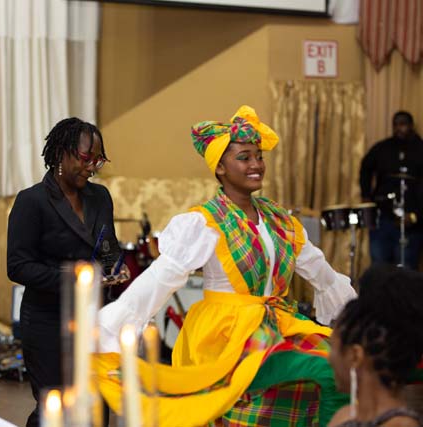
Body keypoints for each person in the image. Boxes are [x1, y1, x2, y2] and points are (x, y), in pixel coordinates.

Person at [94, 105, 357, 427]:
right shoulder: (205, 222)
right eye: (244, 158)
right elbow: (163, 276)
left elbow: (319, 271)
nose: (256, 164)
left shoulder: (279, 220)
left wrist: (355, 316)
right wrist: (114, 324)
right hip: (228, 335)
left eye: (259, 156)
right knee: (326, 370)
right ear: (220, 167)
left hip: (275, 325)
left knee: (340, 368)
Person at [7, 117, 127, 427]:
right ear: (61, 152)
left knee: (97, 405)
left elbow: (108, 247)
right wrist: (75, 279)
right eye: (86, 158)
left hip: (95, 318)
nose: (91, 168)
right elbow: (17, 266)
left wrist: (116, 265)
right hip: (47, 321)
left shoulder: (100, 197)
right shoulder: (31, 200)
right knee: (54, 408)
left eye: (97, 161)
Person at [328, 264, 423, 427]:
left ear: (355, 356)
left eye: (333, 347)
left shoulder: (401, 425)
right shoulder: (344, 415)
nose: (329, 358)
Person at [360, 111, 423, 269]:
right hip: (383, 217)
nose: (398, 128)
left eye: (403, 124)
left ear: (411, 126)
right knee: (379, 266)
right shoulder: (383, 148)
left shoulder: (420, 149)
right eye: (395, 125)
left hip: (411, 221)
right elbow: (365, 167)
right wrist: (366, 195)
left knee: (406, 269)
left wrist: (416, 215)